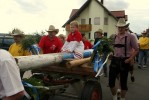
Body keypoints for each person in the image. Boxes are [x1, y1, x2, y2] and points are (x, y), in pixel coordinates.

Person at [109, 18, 139, 100]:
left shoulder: (131, 36)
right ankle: (114, 97)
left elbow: (136, 49)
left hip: (125, 61)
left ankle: (122, 98)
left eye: (122, 27)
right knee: (111, 82)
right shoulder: (114, 36)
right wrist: (111, 54)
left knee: (123, 84)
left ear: (125, 27)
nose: (120, 29)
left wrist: (130, 59)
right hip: (115, 60)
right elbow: (112, 48)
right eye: (119, 27)